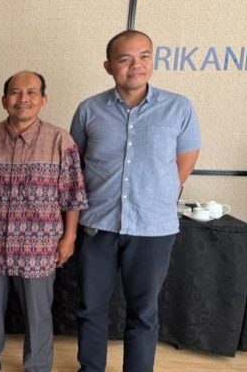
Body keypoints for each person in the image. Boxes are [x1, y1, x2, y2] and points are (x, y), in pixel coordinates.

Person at [70, 30, 201, 372]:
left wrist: (159, 193)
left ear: (153, 61)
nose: (136, 65)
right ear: (109, 66)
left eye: (144, 56)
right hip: (98, 226)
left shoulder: (178, 108)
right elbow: (76, 163)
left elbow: (186, 160)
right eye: (125, 59)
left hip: (153, 229)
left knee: (143, 313)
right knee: (91, 308)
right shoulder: (89, 110)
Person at [0, 71, 87, 372]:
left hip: (40, 247)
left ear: (43, 100)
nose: (23, 99)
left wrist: (69, 238)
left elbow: (73, 196)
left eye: (31, 92)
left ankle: (37, 367)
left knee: (38, 314)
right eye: (16, 92)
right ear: (4, 100)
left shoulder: (60, 141)